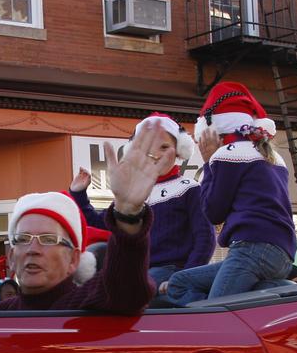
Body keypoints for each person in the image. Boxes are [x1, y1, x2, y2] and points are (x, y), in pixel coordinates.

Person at [0, 122, 162, 313]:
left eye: (48, 239)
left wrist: (127, 213)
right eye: (22, 239)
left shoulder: (86, 303)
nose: (32, 250)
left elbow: (125, 289)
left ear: (74, 259)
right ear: (11, 257)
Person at [165, 82, 295, 305]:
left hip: (251, 250)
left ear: (213, 133)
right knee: (180, 282)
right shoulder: (273, 156)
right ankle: (278, 291)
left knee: (214, 310)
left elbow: (213, 211)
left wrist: (208, 163)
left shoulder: (226, 154)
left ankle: (216, 324)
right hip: (283, 254)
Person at [69, 113, 214, 293]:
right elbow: (101, 223)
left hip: (170, 271)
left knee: (122, 293)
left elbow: (205, 239)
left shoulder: (190, 188)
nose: (155, 154)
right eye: (148, 148)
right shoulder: (131, 193)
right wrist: (79, 194)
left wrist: (185, 277)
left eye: (164, 147)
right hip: (136, 269)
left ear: (179, 150)